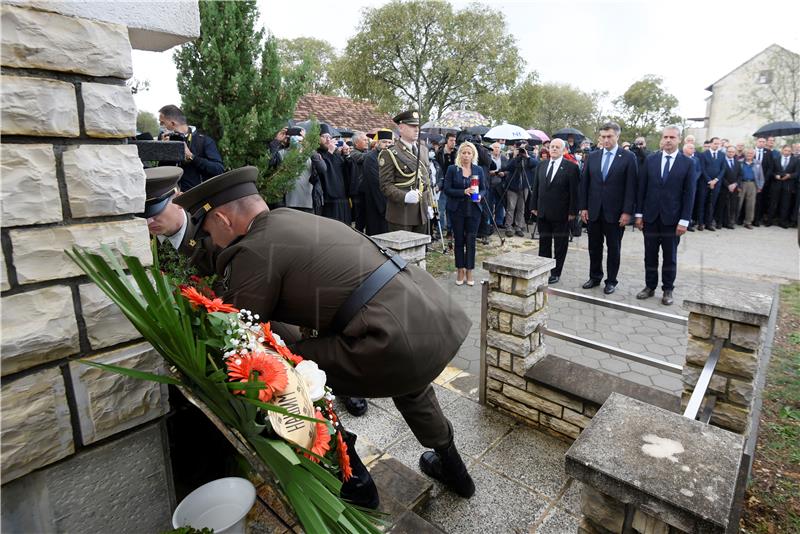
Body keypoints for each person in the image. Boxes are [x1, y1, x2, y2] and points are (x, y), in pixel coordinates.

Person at [174, 166, 476, 507]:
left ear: (225, 221)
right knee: (409, 383)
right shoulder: (290, 217)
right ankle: (456, 472)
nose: (211, 241)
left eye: (209, 232)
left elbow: (237, 325)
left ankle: (355, 485)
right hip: (428, 318)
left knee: (288, 374)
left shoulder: (255, 248)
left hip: (390, 341)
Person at [635, 126, 696, 306]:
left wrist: (684, 221)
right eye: (665, 137)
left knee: (670, 257)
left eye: (672, 137)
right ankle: (649, 286)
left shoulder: (688, 163)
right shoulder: (651, 160)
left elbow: (689, 194)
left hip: (673, 220)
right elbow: (642, 189)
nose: (668, 140)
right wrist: (639, 215)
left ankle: (668, 289)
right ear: (661, 139)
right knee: (650, 255)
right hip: (650, 218)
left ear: (679, 140)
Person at [579, 122, 637, 295]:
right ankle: (595, 276)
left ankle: (611, 281)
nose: (606, 140)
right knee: (594, 247)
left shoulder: (628, 157)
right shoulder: (593, 156)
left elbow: (631, 187)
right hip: (594, 211)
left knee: (614, 249)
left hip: (616, 213)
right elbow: (585, 184)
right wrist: (583, 207)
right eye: (603, 136)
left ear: (617, 136)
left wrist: (627, 212)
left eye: (609, 136)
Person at [139, 166, 215, 276]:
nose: (148, 222)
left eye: (156, 212)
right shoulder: (139, 240)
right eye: (143, 215)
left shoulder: (211, 236)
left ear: (180, 201)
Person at [531, 138, 579, 284]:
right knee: (544, 243)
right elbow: (536, 187)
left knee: (560, 245)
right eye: (552, 146)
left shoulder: (571, 167)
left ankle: (556, 272)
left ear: (563, 150)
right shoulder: (542, 165)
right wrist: (533, 206)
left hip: (562, 214)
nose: (554, 149)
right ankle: (543, 269)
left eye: (557, 147)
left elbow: (574, 192)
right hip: (543, 212)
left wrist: (573, 212)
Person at [379, 110, 432, 233]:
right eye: (412, 126)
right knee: (401, 251)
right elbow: (385, 185)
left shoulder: (423, 150)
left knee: (420, 250)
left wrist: (429, 204)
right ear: (401, 128)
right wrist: (405, 196)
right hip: (401, 213)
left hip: (421, 211)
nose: (416, 129)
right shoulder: (390, 153)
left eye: (417, 126)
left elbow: (425, 180)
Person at [444, 141, 487, 286]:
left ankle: (469, 270)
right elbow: (447, 189)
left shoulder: (478, 170)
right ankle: (460, 270)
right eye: (464, 152)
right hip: (457, 210)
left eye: (469, 153)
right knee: (459, 241)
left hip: (474, 209)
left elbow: (484, 189)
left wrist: (480, 195)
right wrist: (463, 191)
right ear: (460, 154)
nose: (466, 155)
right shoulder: (452, 169)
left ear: (473, 155)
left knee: (471, 241)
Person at [158, 104, 225, 191]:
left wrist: (192, 157)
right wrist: (164, 152)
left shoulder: (204, 141)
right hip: (171, 198)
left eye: (162, 123)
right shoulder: (165, 140)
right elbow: (163, 172)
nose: (161, 126)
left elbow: (218, 169)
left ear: (173, 123)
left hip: (196, 197)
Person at [361, 130, 392, 236]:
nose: (387, 145)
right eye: (384, 142)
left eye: (389, 142)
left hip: (389, 200)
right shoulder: (371, 157)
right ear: (378, 142)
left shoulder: (392, 157)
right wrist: (384, 206)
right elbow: (376, 183)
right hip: (376, 201)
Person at [502, 143, 537, 237]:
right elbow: (507, 167)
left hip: (524, 186)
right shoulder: (514, 159)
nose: (521, 152)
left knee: (521, 208)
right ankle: (508, 227)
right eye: (520, 150)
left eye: (523, 150)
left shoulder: (529, 159)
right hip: (513, 186)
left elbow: (536, 164)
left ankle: (518, 227)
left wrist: (527, 156)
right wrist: (514, 156)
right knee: (511, 207)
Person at [695, 137, 725, 231]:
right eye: (715, 143)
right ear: (711, 144)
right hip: (704, 183)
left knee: (712, 204)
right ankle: (700, 223)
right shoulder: (704, 154)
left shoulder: (722, 155)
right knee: (702, 203)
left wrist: (716, 180)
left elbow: (723, 169)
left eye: (718, 144)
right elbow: (702, 169)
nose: (717, 145)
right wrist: (709, 180)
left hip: (716, 183)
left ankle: (709, 223)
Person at [767, 145, 799, 227]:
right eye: (785, 150)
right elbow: (771, 171)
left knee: (785, 204)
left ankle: (782, 222)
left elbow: (797, 173)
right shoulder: (776, 159)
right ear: (782, 150)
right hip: (776, 184)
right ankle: (769, 220)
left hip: (788, 185)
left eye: (788, 151)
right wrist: (775, 175)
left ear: (791, 151)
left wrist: (790, 176)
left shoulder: (796, 160)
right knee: (773, 203)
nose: (787, 152)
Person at [736, 148, 765, 229]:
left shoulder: (757, 163)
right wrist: (737, 185)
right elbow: (736, 174)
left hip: (752, 184)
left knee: (751, 204)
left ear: (754, 154)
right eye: (748, 153)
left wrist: (760, 186)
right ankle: (733, 220)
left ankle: (748, 222)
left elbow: (761, 176)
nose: (749, 155)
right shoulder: (740, 162)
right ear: (745, 154)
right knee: (738, 203)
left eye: (751, 153)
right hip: (742, 184)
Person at [717, 145, 740, 229]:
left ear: (735, 153)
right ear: (726, 152)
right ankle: (719, 222)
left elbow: (740, 175)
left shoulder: (737, 162)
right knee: (722, 205)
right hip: (724, 187)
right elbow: (720, 175)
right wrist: (728, 185)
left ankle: (728, 223)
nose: (731, 153)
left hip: (734, 188)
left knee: (732, 206)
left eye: (733, 152)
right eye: (729, 151)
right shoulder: (722, 161)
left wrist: (735, 184)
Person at [488, 142, 509, 228]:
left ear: (500, 149)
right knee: (489, 204)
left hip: (500, 184)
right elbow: (484, 169)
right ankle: (489, 222)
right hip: (490, 183)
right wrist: (490, 173)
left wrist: (504, 173)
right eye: (495, 147)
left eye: (498, 147)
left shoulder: (504, 158)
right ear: (492, 149)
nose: (496, 149)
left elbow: (508, 169)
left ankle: (499, 222)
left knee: (500, 203)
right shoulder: (488, 157)